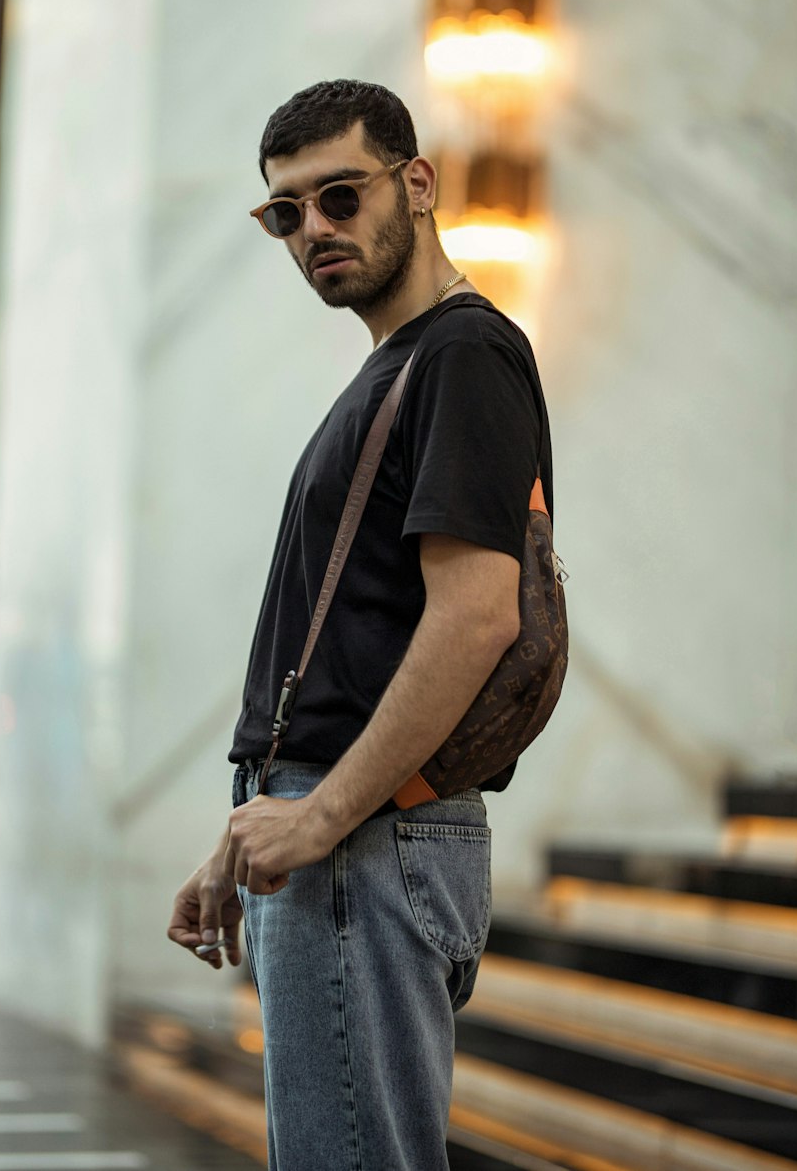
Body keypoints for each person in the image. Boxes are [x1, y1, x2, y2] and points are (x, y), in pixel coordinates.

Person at [168, 79, 554, 1171]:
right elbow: (342, 650)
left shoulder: (462, 357)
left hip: (371, 845)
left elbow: (477, 617)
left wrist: (319, 816)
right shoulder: (395, 372)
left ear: (417, 184)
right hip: (338, 840)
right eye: (285, 213)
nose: (314, 231)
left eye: (340, 196)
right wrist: (249, 829)